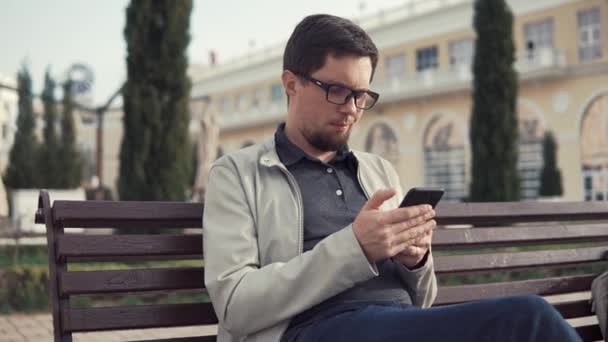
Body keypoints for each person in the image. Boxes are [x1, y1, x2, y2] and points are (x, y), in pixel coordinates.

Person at [203, 14, 581, 342]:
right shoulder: (237, 173)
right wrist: (356, 247)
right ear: (291, 84)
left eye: (361, 95)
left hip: (401, 325)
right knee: (527, 322)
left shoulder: (378, 171)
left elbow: (424, 300)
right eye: (336, 91)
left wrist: (415, 261)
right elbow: (235, 305)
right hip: (314, 330)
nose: (351, 109)